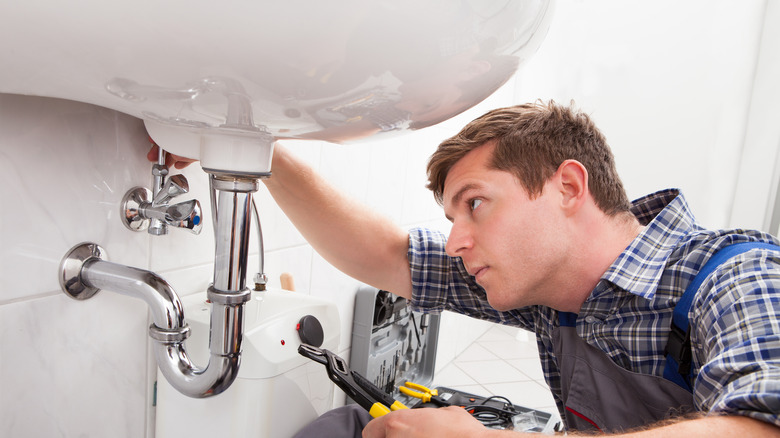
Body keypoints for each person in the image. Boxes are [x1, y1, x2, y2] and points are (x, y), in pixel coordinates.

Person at [151, 101, 780, 437]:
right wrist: (251, 150)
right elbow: (392, 255)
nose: (456, 241)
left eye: (475, 204)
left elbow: (758, 431)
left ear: (567, 186)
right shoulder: (549, 295)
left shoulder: (738, 276)